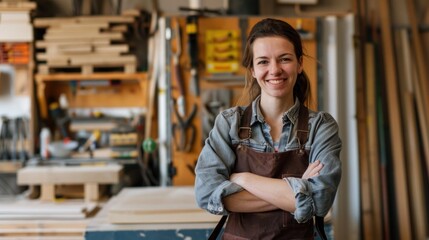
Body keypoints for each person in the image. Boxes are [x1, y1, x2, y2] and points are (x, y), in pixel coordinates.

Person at [194, 18, 342, 239]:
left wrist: (243, 179)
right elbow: (206, 194)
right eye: (263, 61)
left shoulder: (320, 126)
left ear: (300, 64)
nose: (274, 70)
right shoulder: (229, 123)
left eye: (284, 59)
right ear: (252, 69)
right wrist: (298, 191)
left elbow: (319, 201)